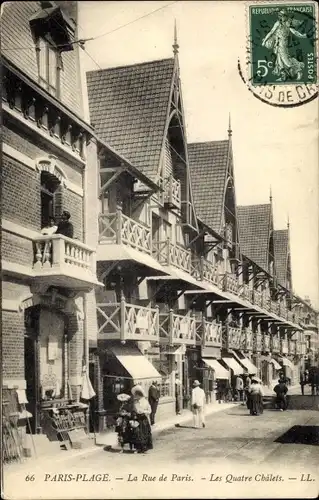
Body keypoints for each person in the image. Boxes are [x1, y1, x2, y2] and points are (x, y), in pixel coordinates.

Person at [131, 385, 153, 454]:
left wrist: (144, 411)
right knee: (137, 433)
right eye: (135, 395)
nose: (135, 396)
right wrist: (135, 412)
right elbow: (134, 410)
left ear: (139, 395)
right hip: (138, 419)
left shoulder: (145, 402)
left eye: (136, 395)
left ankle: (145, 448)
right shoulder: (135, 402)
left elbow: (150, 411)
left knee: (144, 433)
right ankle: (138, 448)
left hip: (144, 420)